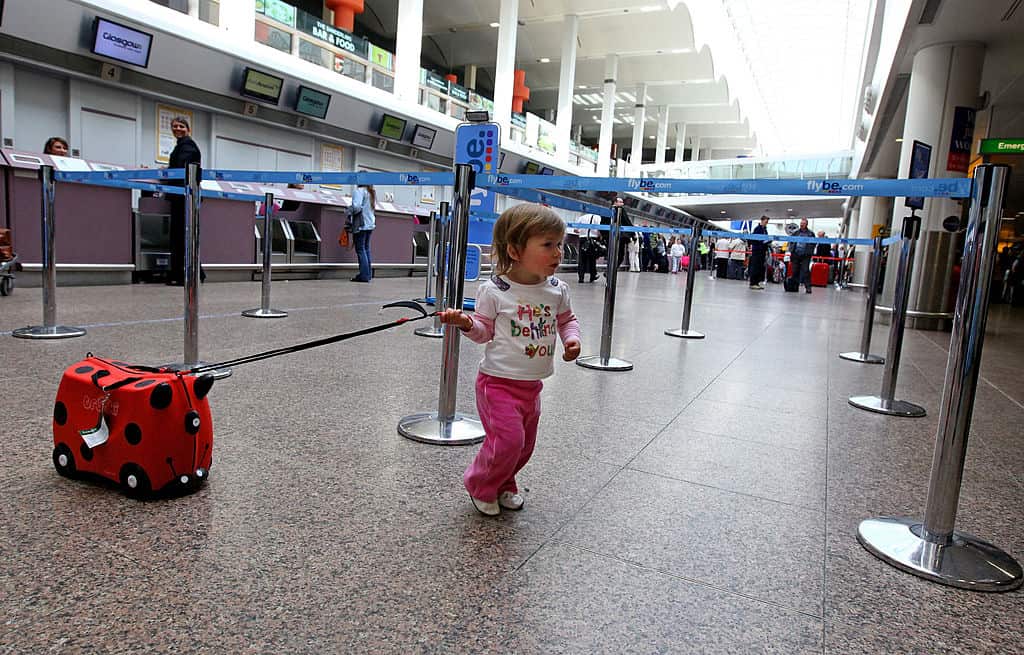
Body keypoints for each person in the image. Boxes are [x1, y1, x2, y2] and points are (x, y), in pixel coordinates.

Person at [438, 204, 581, 516]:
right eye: (548, 244)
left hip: (532, 386)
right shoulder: (495, 290)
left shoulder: (557, 290)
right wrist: (465, 322)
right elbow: (483, 332)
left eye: (559, 244)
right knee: (508, 441)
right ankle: (480, 484)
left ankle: (504, 482)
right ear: (515, 251)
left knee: (524, 446)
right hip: (497, 384)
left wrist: (572, 339)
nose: (558, 253)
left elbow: (567, 320)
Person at [166, 117, 202, 286]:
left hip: (183, 196)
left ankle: (184, 274)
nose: (177, 129)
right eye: (175, 126)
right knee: (184, 235)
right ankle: (190, 273)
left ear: (188, 129)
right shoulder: (182, 146)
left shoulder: (187, 146)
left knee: (181, 235)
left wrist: (168, 172)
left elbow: (181, 168)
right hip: (184, 195)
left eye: (181, 126)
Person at [349, 184, 376, 282]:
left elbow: (356, 207)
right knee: (366, 249)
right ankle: (368, 275)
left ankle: (364, 275)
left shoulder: (359, 191)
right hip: (370, 224)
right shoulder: (371, 191)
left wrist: (348, 210)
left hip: (361, 224)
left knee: (360, 249)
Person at [600, 197, 634, 272]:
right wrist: (633, 233)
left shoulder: (607, 211)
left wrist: (604, 236)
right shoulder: (621, 210)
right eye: (620, 202)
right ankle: (611, 271)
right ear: (615, 202)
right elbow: (627, 222)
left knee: (611, 254)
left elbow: (602, 224)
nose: (623, 204)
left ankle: (609, 271)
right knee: (620, 256)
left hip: (609, 237)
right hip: (619, 237)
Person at [789, 218, 815, 294]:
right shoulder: (796, 232)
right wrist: (791, 251)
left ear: (806, 224)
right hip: (796, 254)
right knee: (794, 270)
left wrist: (810, 250)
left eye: (803, 224)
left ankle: (808, 287)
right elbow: (791, 241)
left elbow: (814, 243)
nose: (801, 225)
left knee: (805, 270)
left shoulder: (811, 233)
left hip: (806, 255)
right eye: (801, 223)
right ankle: (794, 286)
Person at [574, 213, 602, 283]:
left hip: (583, 239)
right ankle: (592, 276)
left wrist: (582, 232)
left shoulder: (582, 217)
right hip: (593, 239)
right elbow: (599, 230)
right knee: (592, 259)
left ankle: (581, 278)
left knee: (582, 259)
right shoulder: (597, 217)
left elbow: (575, 230)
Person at [748, 215, 771, 290]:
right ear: (762, 220)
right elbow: (755, 239)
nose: (766, 223)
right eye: (765, 221)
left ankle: (757, 282)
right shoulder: (757, 229)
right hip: (757, 250)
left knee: (760, 267)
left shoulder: (765, 230)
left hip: (762, 251)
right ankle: (753, 283)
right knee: (755, 266)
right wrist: (763, 242)